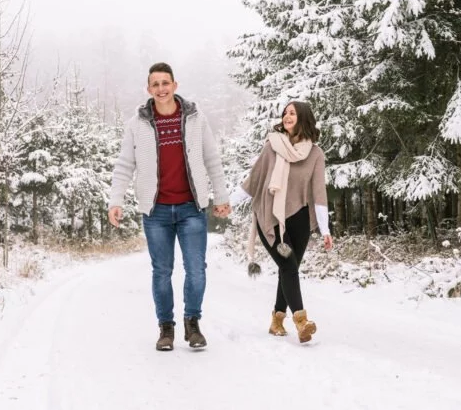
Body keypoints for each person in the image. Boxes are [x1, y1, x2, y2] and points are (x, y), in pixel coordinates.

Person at [108, 62, 231, 351]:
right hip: (156, 212)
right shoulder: (137, 124)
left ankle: (192, 323)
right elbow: (125, 165)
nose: (161, 89)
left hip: (191, 208)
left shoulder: (195, 118)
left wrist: (222, 197)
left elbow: (212, 158)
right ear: (148, 89)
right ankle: (166, 328)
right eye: (155, 84)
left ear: (175, 86)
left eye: (166, 83)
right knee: (161, 271)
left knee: (196, 270)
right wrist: (116, 200)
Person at [231, 101, 332, 343]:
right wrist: (226, 203)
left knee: (289, 269)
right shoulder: (272, 147)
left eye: (292, 113)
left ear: (303, 118)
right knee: (287, 265)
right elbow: (252, 182)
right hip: (271, 217)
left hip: (299, 219)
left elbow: (319, 193)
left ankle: (277, 321)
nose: (287, 116)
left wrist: (325, 229)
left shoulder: (315, 154)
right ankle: (301, 321)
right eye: (285, 113)